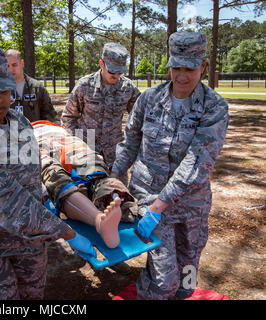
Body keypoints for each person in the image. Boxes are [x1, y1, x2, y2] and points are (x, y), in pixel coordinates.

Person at [0, 43, 102, 300]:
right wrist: (69, 234)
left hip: (28, 243)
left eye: (3, 90)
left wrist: (46, 197)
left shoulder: (18, 121)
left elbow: (29, 171)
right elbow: (13, 207)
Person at [111, 31, 229, 300]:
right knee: (164, 281)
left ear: (204, 67)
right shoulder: (149, 99)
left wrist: (160, 205)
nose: (182, 76)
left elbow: (198, 161)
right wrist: (116, 178)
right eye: (176, 68)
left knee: (187, 279)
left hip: (191, 206)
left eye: (190, 68)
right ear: (169, 65)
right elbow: (130, 142)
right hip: (150, 199)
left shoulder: (214, 107)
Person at [32, 120, 139, 248]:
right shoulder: (27, 125)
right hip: (53, 140)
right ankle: (109, 210)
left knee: (61, 175)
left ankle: (105, 213)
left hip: (54, 140)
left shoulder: (19, 125)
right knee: (86, 172)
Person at [61, 43, 140, 181]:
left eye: (120, 72)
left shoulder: (128, 88)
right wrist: (78, 148)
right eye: (112, 71)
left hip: (115, 156)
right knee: (87, 195)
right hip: (86, 152)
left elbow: (139, 119)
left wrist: (129, 148)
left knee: (117, 195)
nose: (116, 75)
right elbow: (68, 118)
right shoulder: (85, 85)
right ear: (101, 64)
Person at [5, 49, 57, 122]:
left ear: (22, 63)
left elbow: (49, 113)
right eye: (7, 66)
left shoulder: (37, 87)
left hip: (34, 131)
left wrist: (41, 127)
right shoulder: (1, 90)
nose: (11, 69)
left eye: (14, 65)